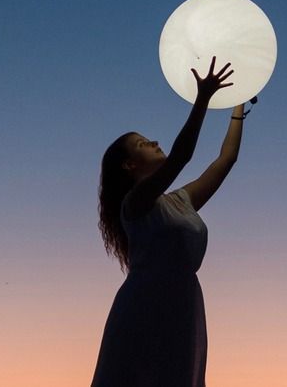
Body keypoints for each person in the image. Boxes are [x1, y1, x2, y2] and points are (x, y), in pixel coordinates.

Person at [92, 56, 246, 387]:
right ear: (129, 166)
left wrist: (237, 106)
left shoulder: (180, 201)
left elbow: (226, 159)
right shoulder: (135, 205)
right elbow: (181, 156)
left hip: (184, 304)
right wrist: (202, 99)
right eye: (143, 144)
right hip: (145, 305)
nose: (154, 142)